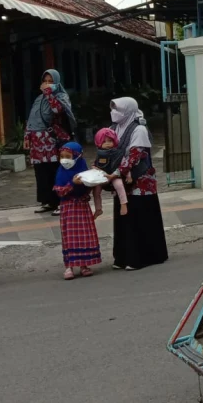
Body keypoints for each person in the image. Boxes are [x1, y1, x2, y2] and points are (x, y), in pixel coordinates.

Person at [109, 97, 168, 270]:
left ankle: (142, 257)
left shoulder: (139, 129)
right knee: (123, 217)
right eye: (113, 109)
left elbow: (136, 155)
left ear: (128, 111)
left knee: (139, 217)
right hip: (121, 181)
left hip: (140, 181)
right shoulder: (114, 128)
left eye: (118, 110)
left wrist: (116, 173)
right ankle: (123, 257)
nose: (114, 113)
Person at [24, 69, 77, 215]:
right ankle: (47, 201)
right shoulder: (38, 99)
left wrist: (49, 94)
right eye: (45, 81)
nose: (47, 84)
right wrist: (27, 136)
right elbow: (32, 118)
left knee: (55, 170)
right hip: (37, 142)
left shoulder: (61, 96)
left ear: (57, 82)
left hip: (52, 140)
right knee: (41, 172)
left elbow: (57, 110)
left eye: (50, 81)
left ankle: (60, 201)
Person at [53, 142, 102, 280]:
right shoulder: (61, 172)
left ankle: (84, 265)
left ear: (77, 156)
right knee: (70, 237)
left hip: (82, 207)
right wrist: (72, 184)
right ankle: (69, 266)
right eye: (62, 156)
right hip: (68, 208)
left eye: (68, 156)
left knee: (84, 236)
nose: (64, 160)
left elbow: (90, 188)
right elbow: (60, 191)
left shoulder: (83, 170)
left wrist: (93, 178)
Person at [93, 128, 129, 217]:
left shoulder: (118, 153)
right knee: (96, 190)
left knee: (119, 185)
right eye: (104, 141)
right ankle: (98, 208)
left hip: (115, 175)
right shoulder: (99, 154)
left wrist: (128, 175)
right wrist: (95, 169)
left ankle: (123, 204)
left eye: (110, 140)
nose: (108, 143)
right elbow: (95, 164)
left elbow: (125, 164)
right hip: (103, 176)